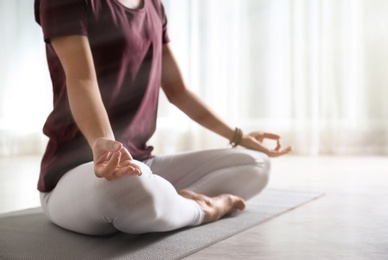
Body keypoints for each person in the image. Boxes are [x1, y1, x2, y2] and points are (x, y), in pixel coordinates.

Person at [34, 0, 292, 236]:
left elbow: (178, 90)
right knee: (127, 193)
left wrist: (239, 137)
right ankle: (201, 209)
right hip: (76, 173)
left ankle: (168, 202)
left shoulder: (153, 5)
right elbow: (82, 80)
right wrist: (104, 143)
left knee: (256, 165)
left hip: (140, 162)